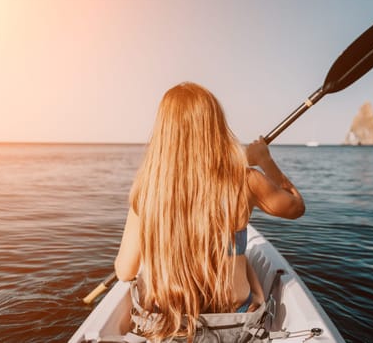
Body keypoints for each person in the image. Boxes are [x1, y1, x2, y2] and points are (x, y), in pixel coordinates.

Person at [114, 82, 304, 341]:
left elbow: (125, 272)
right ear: (215, 128)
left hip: (164, 321)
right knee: (244, 260)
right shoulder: (245, 181)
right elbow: (296, 207)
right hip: (233, 323)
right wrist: (264, 161)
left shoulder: (147, 188)